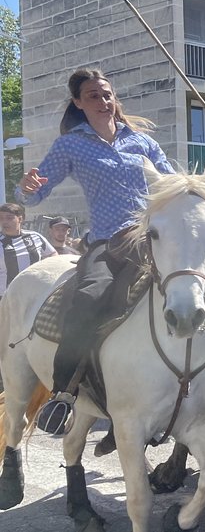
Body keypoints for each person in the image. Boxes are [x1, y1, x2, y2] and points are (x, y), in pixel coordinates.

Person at [18, 68, 174, 433]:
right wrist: (26, 188)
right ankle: (63, 392)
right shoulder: (71, 145)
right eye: (93, 96)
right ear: (78, 103)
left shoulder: (142, 142)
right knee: (89, 297)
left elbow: (170, 182)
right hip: (108, 243)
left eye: (107, 94)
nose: (103, 101)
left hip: (154, 239)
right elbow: (35, 195)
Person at [0, 203, 57, 292]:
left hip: (34, 293)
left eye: (9, 218)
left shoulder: (35, 237)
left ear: (20, 219)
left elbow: (52, 254)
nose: (4, 222)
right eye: (1, 218)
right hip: (6, 295)